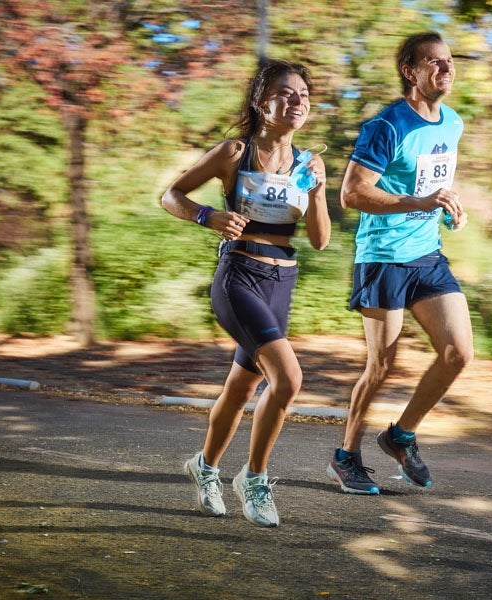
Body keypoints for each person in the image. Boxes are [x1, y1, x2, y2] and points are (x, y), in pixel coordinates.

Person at [162, 59, 330, 526]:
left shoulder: (308, 163)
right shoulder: (235, 152)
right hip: (238, 277)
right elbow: (172, 195)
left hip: (282, 281)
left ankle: (204, 467)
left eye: (303, 95)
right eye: (285, 93)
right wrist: (207, 216)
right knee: (288, 380)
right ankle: (254, 479)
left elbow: (319, 240)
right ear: (261, 102)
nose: (297, 101)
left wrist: (319, 191)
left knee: (241, 387)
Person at [326, 32, 473, 495]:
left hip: (427, 254)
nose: (446, 68)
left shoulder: (452, 123)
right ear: (410, 72)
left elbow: (432, 186)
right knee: (381, 365)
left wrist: (447, 209)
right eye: (434, 62)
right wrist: (420, 201)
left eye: (449, 61)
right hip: (383, 257)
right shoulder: (387, 126)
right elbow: (352, 194)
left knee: (458, 353)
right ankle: (346, 457)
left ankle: (401, 436)